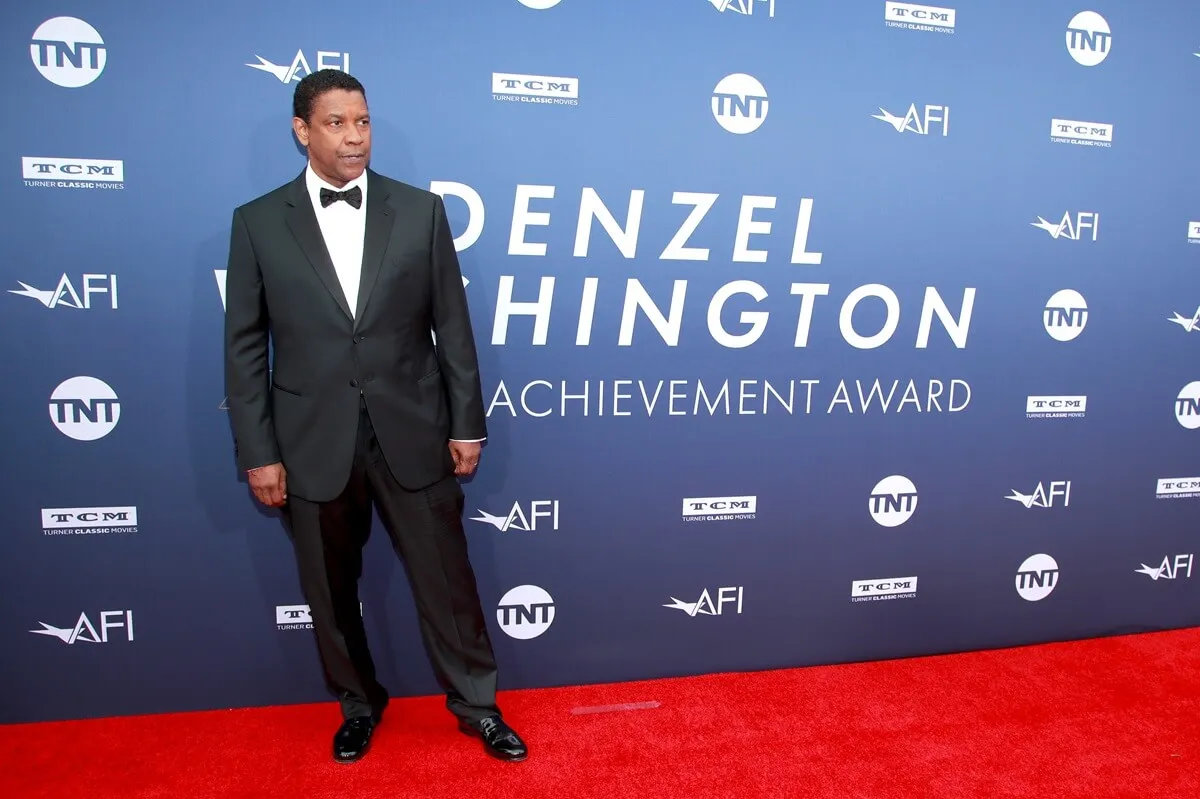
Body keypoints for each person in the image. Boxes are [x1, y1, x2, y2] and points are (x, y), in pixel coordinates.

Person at [222, 68, 526, 765]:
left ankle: (478, 705)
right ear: (302, 130)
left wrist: (466, 423)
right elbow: (243, 347)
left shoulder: (420, 211)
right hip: (309, 440)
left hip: (413, 430)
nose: (354, 136)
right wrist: (258, 450)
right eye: (337, 123)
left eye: (362, 121)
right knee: (329, 592)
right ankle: (359, 703)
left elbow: (454, 326)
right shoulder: (259, 223)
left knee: (448, 581)